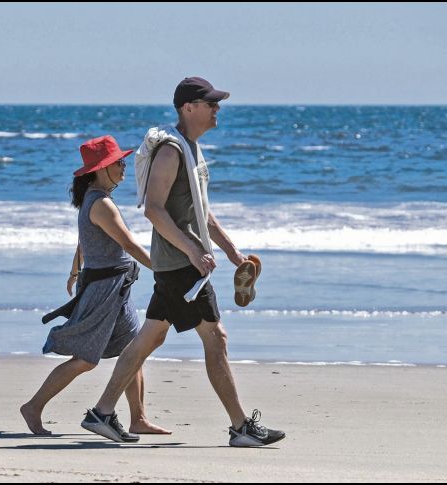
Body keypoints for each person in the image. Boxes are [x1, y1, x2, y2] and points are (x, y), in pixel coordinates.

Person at [80, 77, 285, 447]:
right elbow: (154, 210)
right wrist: (192, 251)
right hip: (180, 265)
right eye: (211, 103)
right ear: (188, 107)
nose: (217, 109)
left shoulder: (191, 149)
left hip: (179, 263)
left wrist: (231, 251)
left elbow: (200, 211)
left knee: (150, 337)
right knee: (215, 337)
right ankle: (241, 427)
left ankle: (102, 412)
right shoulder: (171, 151)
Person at [20, 135, 170, 439]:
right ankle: (33, 407)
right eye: (118, 162)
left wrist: (74, 271)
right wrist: (166, 271)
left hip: (117, 288)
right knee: (86, 359)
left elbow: (84, 241)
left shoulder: (96, 198)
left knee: (133, 349)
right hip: (104, 291)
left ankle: (138, 418)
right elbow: (128, 244)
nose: (124, 166)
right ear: (101, 169)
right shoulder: (100, 203)